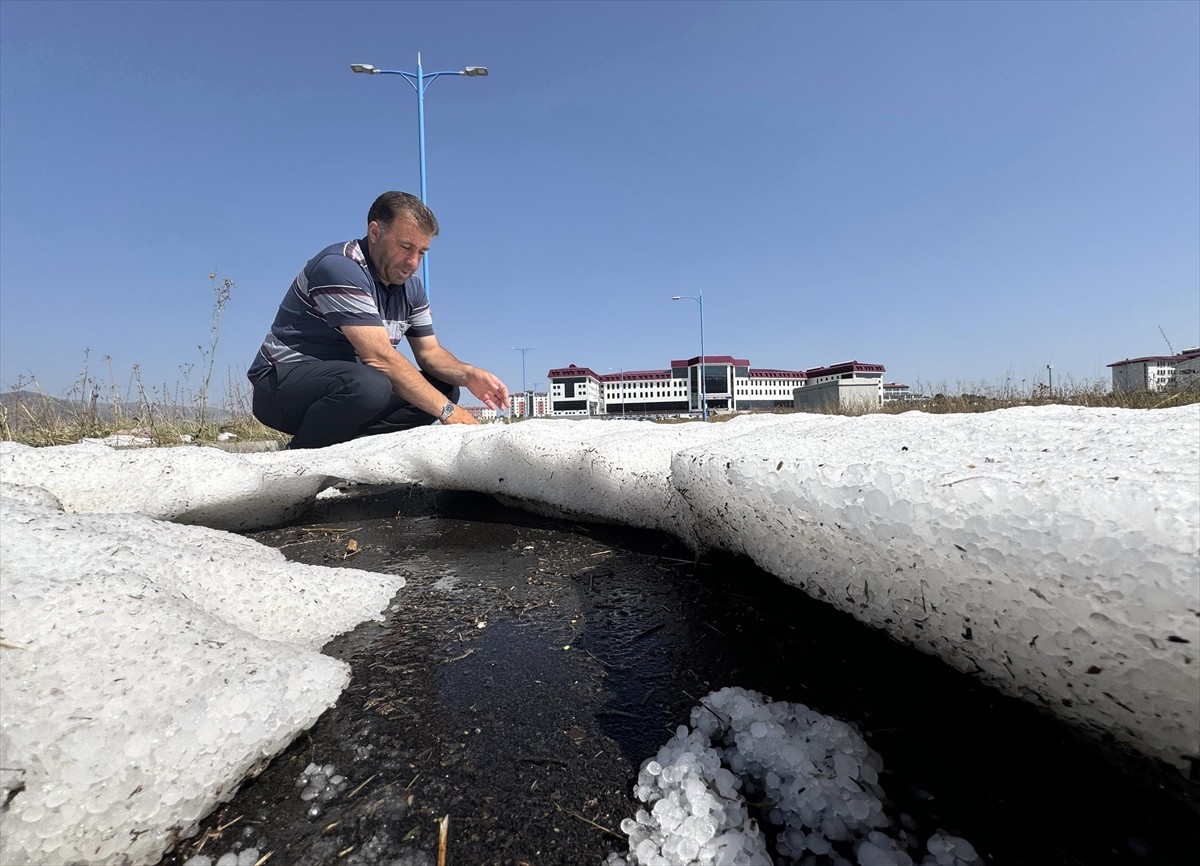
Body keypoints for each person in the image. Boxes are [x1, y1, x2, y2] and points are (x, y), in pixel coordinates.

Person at [248, 192, 509, 449]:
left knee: (444, 388)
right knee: (372, 386)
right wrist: (451, 413)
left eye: (422, 252)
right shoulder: (340, 267)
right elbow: (379, 357)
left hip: (351, 389)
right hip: (279, 388)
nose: (413, 262)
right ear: (375, 232)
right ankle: (298, 459)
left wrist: (468, 374)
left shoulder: (412, 289)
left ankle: (353, 447)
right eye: (406, 247)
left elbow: (430, 353)